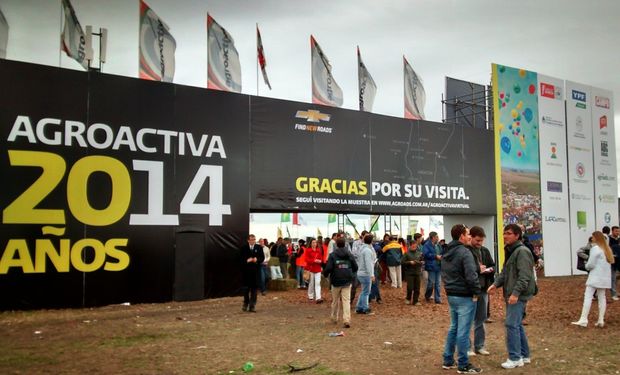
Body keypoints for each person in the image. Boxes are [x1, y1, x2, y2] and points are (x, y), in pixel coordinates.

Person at [488, 224, 537, 369]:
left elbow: (525, 276)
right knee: (517, 325)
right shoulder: (511, 250)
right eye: (504, 233)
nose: (505, 236)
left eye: (508, 233)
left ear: (517, 235)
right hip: (512, 294)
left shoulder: (522, 251)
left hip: (518, 295)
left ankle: (515, 358)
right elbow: (505, 272)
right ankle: (524, 355)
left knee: (511, 324)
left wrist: (515, 293)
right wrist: (495, 284)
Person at [441, 224, 482, 373]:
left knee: (454, 328)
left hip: (452, 294)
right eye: (468, 234)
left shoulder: (446, 251)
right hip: (465, 296)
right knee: (463, 331)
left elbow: (445, 273)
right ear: (461, 236)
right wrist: (477, 292)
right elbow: (471, 276)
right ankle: (463, 364)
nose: (470, 236)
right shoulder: (465, 252)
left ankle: (448, 359)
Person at [572, 231, 614, 327]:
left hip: (595, 277)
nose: (592, 238)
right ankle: (600, 320)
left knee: (588, 296)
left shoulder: (595, 249)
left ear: (597, 238)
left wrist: (586, 265)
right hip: (605, 278)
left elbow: (591, 264)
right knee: (602, 298)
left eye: (593, 237)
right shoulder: (608, 250)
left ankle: (583, 319)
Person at [467, 226, 495, 357]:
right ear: (470, 237)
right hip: (469, 290)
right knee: (467, 319)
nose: (479, 243)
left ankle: (479, 346)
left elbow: (492, 265)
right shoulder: (465, 251)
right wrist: (479, 269)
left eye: (481, 241)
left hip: (483, 289)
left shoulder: (485, 251)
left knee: (481, 318)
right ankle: (467, 347)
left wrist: (489, 270)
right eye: (477, 240)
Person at [323, 238, 358, 328]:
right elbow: (355, 266)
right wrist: (351, 271)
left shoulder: (333, 255)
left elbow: (329, 268)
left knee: (335, 300)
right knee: (346, 301)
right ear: (345, 244)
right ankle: (346, 319)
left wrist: (325, 274)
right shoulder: (349, 254)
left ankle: (334, 317)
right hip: (347, 279)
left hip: (336, 280)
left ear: (336, 245)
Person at [239, 234, 265, 313]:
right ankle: (245, 303)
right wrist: (247, 260)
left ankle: (252, 305)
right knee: (246, 289)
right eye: (251, 239)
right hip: (246, 272)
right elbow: (239, 259)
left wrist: (257, 259)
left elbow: (262, 257)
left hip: (255, 272)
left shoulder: (259, 247)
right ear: (248, 240)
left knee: (254, 289)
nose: (253, 241)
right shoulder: (243, 248)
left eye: (254, 239)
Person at [355, 233, 376, 314]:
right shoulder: (367, 250)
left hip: (361, 272)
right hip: (365, 274)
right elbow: (368, 264)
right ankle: (365, 308)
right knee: (366, 292)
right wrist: (372, 275)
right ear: (371, 241)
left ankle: (359, 307)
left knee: (364, 291)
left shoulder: (362, 249)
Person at [401, 240, 424, 305]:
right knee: (410, 287)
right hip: (409, 273)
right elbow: (402, 262)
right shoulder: (406, 253)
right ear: (410, 246)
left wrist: (422, 262)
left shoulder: (419, 253)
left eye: (415, 245)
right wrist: (409, 262)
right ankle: (408, 298)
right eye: (413, 245)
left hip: (417, 272)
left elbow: (422, 260)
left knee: (417, 288)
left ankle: (415, 301)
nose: (414, 246)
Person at [423, 231, 443, 304]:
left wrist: (442, 256)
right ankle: (427, 295)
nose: (438, 238)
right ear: (433, 237)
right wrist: (435, 256)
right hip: (431, 267)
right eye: (437, 237)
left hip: (438, 266)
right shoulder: (426, 245)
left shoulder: (438, 245)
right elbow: (426, 254)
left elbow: (441, 252)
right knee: (431, 283)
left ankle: (437, 299)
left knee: (438, 284)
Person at [351, 231, 368, 304]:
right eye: (366, 236)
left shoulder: (368, 244)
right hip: (357, 266)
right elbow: (354, 253)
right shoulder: (356, 243)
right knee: (354, 285)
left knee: (366, 286)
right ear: (362, 236)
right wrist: (362, 255)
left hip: (365, 268)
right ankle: (350, 299)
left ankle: (364, 301)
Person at [304, 238, 324, 303]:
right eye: (313, 242)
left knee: (318, 283)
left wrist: (320, 261)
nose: (314, 244)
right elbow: (306, 259)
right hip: (311, 269)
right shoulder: (308, 250)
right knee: (311, 283)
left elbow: (321, 259)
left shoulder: (318, 250)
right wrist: (314, 260)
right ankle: (310, 296)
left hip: (318, 269)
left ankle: (318, 297)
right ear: (310, 243)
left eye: (315, 242)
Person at [608, 226, 620, 301]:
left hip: (618, 261)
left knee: (615, 278)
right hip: (611, 261)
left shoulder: (618, 239)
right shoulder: (609, 239)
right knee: (612, 277)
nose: (617, 233)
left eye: (618, 231)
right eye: (616, 231)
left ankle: (615, 292)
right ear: (612, 231)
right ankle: (613, 294)